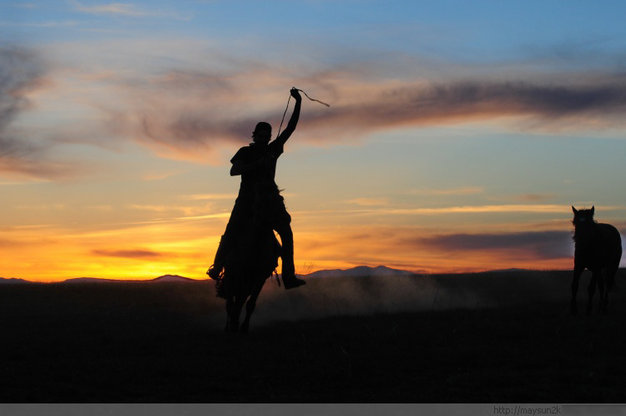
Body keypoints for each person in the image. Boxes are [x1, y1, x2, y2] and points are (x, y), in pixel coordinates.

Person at [208, 88, 306, 289]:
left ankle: (289, 276)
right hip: (246, 201)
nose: (263, 138)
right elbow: (233, 171)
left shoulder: (273, 149)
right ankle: (217, 267)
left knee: (287, 233)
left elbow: (291, 128)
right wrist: (256, 165)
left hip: (270, 201)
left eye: (266, 135)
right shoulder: (245, 151)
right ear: (255, 136)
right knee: (231, 230)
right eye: (260, 135)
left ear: (270, 136)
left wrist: (298, 103)